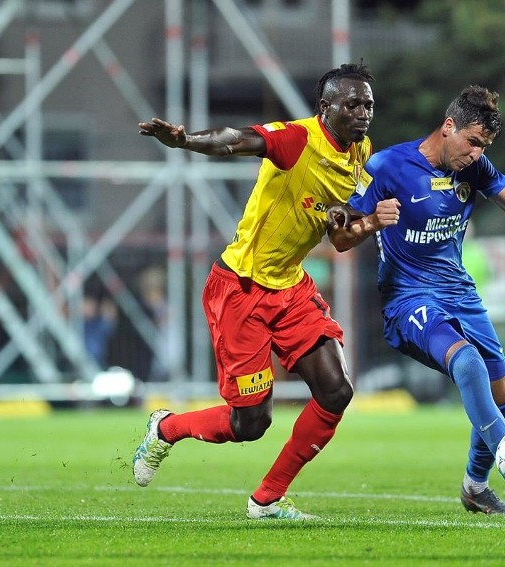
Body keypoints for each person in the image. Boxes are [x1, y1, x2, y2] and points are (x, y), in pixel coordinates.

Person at [132, 62, 399, 520]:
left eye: (368, 105)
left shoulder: (361, 153)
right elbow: (236, 138)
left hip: (291, 286)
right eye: (352, 104)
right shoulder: (298, 138)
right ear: (325, 107)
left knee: (336, 391)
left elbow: (338, 238)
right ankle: (167, 428)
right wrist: (185, 141)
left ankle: (267, 500)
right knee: (251, 424)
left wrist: (364, 221)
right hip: (240, 289)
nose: (362, 113)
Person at [328, 85, 505, 519]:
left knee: (503, 398)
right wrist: (373, 221)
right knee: (467, 363)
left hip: (459, 293)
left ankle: (474, 487)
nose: (475, 153)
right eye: (472, 142)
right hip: (407, 297)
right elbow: (339, 237)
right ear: (448, 127)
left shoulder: (474, 168)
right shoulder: (388, 166)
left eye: (483, 147)